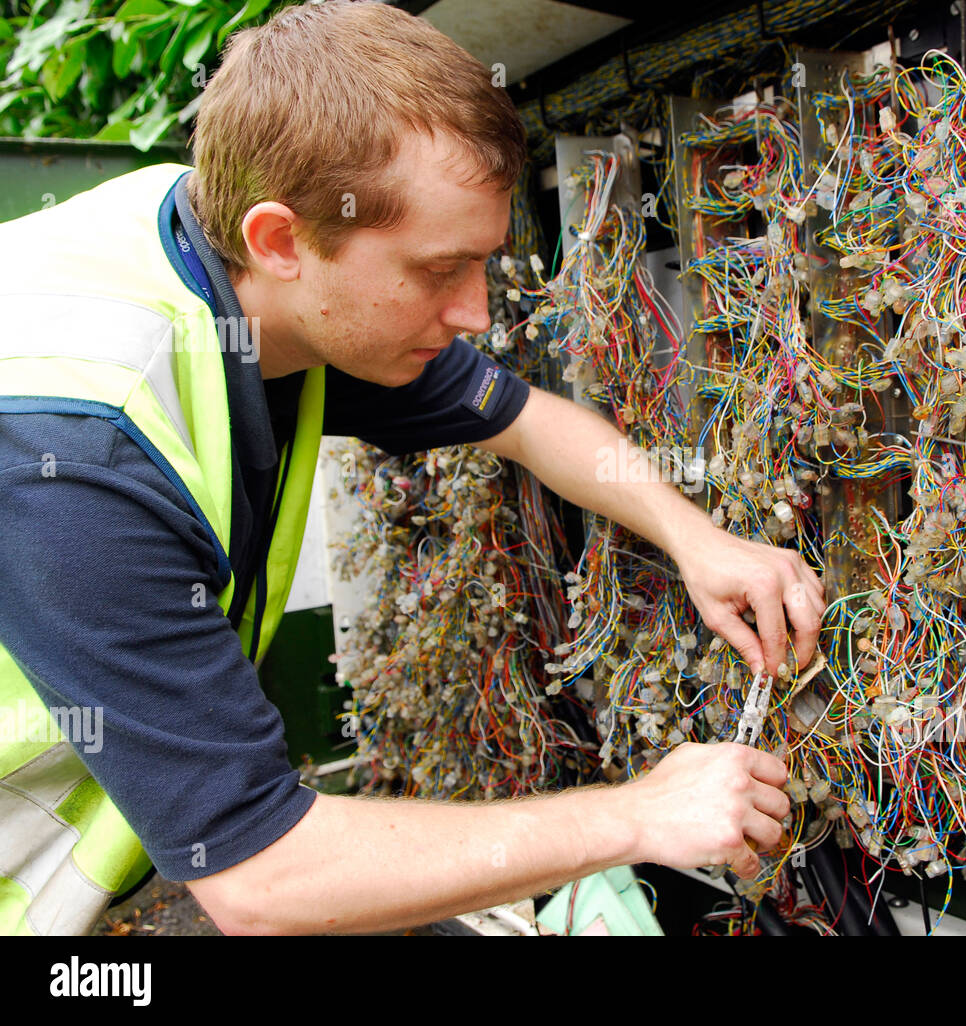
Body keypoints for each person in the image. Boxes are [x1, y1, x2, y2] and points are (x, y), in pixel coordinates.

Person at [0, 0, 824, 935]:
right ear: (282, 241)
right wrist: (640, 814)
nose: (476, 312)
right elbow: (261, 882)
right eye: (440, 271)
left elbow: (522, 419)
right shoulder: (71, 449)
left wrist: (699, 539)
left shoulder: (236, 260)